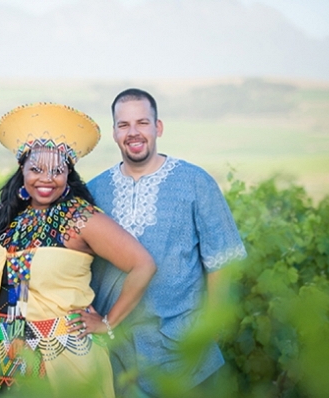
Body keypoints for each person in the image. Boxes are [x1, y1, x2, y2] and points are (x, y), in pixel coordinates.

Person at [0, 103, 156, 397]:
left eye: (57, 170)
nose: (46, 178)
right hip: (8, 355)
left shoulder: (81, 218)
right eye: (36, 168)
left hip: (64, 360)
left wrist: (108, 322)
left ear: (68, 174)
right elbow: (18, 290)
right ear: (22, 169)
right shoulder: (14, 219)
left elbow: (143, 264)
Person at [88, 88, 247, 397]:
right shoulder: (95, 191)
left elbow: (223, 260)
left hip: (183, 355)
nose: (133, 132)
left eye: (142, 123)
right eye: (124, 125)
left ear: (157, 127)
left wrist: (208, 330)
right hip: (116, 355)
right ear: (114, 133)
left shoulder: (195, 182)